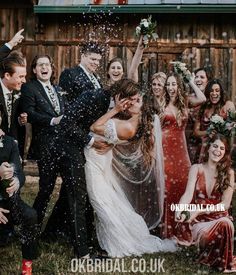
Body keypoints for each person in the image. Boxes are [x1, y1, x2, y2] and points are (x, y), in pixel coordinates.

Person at [84, 83, 177, 257]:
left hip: (95, 160)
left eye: (137, 101)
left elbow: (95, 127)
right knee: (106, 199)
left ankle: (121, 241)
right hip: (99, 157)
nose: (133, 102)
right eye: (132, 99)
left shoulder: (129, 127)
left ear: (143, 109)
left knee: (101, 201)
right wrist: (112, 141)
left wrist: (115, 109)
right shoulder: (131, 122)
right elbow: (113, 137)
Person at [175, 134, 236, 273]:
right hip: (200, 222)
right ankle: (213, 253)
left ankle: (220, 259)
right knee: (209, 234)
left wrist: (199, 210)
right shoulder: (196, 168)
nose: (217, 150)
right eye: (215, 146)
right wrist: (180, 209)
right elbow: (188, 194)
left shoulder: (229, 173)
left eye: (222, 148)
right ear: (208, 148)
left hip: (220, 218)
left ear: (225, 153)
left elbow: (225, 205)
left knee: (226, 224)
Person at [20, 55, 67, 233]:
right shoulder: (29, 88)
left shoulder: (57, 88)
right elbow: (29, 113)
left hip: (63, 145)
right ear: (34, 70)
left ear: (52, 68)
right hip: (45, 145)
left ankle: (57, 227)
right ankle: (32, 228)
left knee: (68, 187)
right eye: (40, 65)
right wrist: (53, 121)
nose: (44, 67)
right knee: (46, 188)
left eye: (47, 64)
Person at [160, 72, 206, 239]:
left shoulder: (185, 101)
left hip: (181, 150)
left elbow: (202, 99)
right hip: (165, 149)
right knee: (167, 188)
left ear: (178, 86)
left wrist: (191, 81)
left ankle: (183, 226)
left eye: (173, 84)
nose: (171, 88)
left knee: (183, 185)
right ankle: (168, 229)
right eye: (168, 85)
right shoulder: (161, 102)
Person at [0, 132, 38, 275]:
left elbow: (19, 173)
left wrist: (17, 181)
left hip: (8, 200)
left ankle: (27, 266)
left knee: (30, 215)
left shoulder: (9, 142)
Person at [193, 79, 235, 162]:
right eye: (211, 91)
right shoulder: (203, 108)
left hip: (220, 150)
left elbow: (232, 128)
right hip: (203, 149)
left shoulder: (226, 106)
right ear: (208, 93)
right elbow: (196, 132)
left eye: (217, 91)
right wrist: (208, 132)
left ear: (221, 93)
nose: (214, 93)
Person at [187, 67, 213, 163]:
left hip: (207, 143)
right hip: (189, 142)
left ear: (208, 81)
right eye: (196, 77)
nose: (198, 79)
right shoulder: (189, 98)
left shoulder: (212, 99)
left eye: (202, 77)